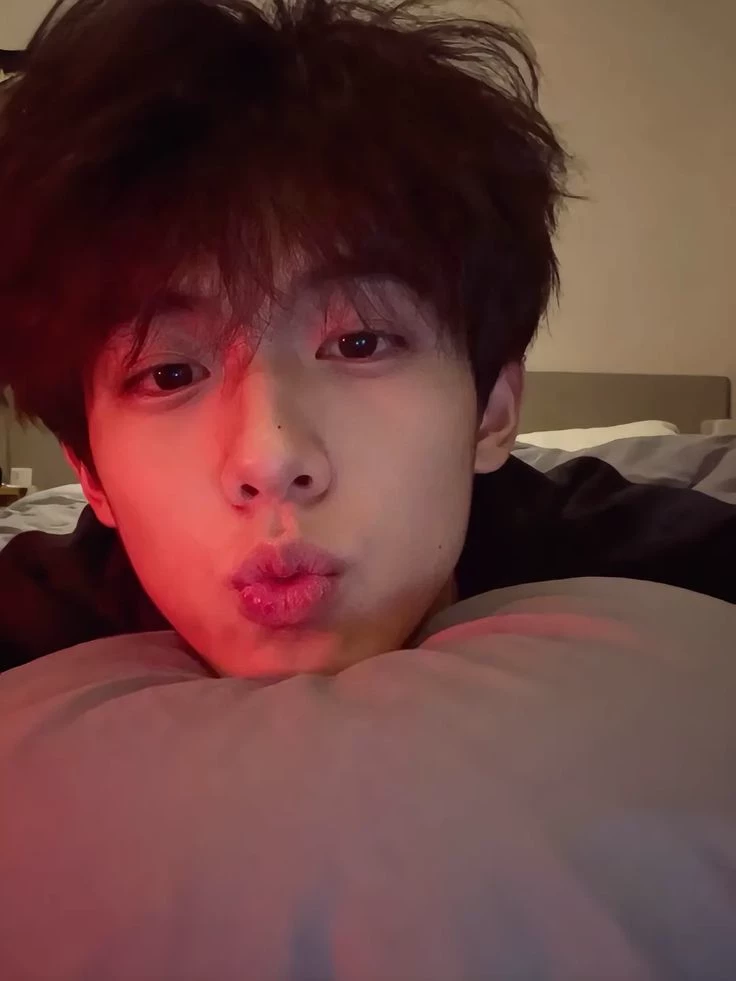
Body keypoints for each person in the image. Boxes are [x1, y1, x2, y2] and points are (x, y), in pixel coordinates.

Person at [0, 0, 734, 679]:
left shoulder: (675, 574)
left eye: (360, 344)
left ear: (493, 411)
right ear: (90, 473)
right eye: (169, 374)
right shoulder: (32, 626)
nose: (271, 459)